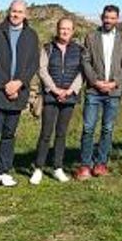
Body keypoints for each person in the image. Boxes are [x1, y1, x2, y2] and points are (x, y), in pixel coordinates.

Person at [0, 0, 40, 190]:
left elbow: (33, 63)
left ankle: (3, 171)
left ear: (25, 14)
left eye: (19, 12)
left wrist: (19, 83)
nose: (16, 15)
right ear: (9, 11)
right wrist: (6, 84)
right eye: (13, 11)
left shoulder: (31, 35)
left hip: (19, 92)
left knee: (9, 135)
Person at [78, 4, 122, 179]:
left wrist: (115, 82)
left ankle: (101, 164)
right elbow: (85, 61)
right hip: (94, 90)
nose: (109, 20)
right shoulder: (91, 36)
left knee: (107, 129)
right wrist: (96, 81)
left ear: (117, 19)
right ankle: (85, 165)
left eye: (112, 18)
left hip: (113, 91)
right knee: (88, 128)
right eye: (106, 17)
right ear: (102, 17)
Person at [33, 17, 83, 184]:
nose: (65, 31)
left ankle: (57, 167)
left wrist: (70, 90)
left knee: (61, 134)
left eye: (68, 29)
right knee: (46, 133)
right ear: (57, 29)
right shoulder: (47, 48)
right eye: (62, 28)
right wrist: (54, 89)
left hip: (69, 97)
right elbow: (42, 70)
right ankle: (38, 168)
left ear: (73, 31)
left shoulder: (79, 50)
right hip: (51, 96)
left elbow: (81, 73)